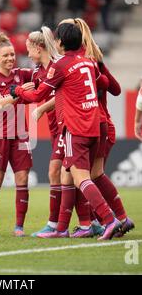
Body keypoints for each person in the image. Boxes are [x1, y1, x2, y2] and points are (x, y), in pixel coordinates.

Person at [11, 23, 121, 240]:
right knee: (75, 175)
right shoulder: (88, 63)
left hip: (75, 128)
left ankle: (109, 220)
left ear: (60, 42)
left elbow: (38, 95)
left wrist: (18, 90)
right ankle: (68, 226)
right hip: (94, 126)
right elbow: (110, 85)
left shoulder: (60, 65)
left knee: (81, 179)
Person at [58, 18, 134, 238]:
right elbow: (116, 89)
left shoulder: (74, 62)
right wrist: (99, 70)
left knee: (81, 175)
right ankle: (119, 218)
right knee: (95, 174)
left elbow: (114, 88)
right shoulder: (93, 59)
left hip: (87, 124)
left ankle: (92, 223)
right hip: (102, 123)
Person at [0, 32, 34, 237]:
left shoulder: (23, 73)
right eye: (5, 55)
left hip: (21, 135)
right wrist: (19, 92)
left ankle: (19, 227)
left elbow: (46, 73)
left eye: (12, 54)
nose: (10, 58)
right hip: (0, 135)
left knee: (22, 179)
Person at [17, 27, 65, 237]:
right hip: (56, 129)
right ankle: (93, 221)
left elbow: (57, 97)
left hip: (68, 126)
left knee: (57, 172)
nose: (28, 55)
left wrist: (40, 106)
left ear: (39, 47)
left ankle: (55, 225)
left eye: (29, 50)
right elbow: (35, 93)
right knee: (71, 175)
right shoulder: (38, 72)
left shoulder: (59, 66)